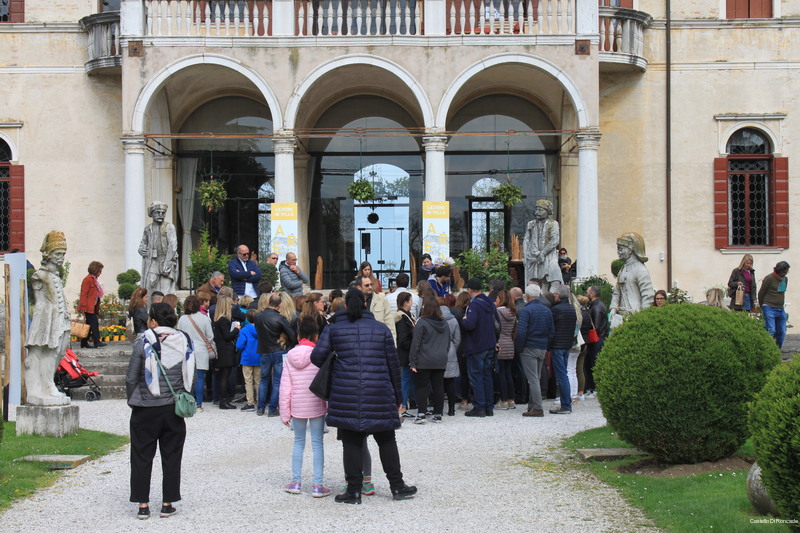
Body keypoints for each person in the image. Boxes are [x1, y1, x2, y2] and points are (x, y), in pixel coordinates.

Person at [311, 288, 417, 504]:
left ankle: (354, 490)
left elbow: (317, 357)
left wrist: (337, 363)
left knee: (351, 442)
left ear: (346, 306)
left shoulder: (334, 330)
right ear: (367, 304)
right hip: (380, 391)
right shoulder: (381, 329)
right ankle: (397, 486)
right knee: (386, 440)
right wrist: (398, 397)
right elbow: (393, 365)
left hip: (345, 392)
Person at [126, 302, 195, 520]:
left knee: (141, 456)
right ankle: (167, 502)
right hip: (173, 406)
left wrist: (133, 399)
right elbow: (189, 374)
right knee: (172, 455)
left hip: (146, 406)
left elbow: (131, 377)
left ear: (153, 321)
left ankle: (143, 504)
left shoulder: (144, 341)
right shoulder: (184, 340)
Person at [280, 316, 331, 498]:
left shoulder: (290, 356)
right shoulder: (319, 354)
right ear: (316, 336)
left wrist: (285, 413)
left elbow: (285, 386)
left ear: (299, 334)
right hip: (316, 403)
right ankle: (318, 484)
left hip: (297, 406)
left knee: (298, 442)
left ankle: (296, 481)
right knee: (317, 443)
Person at [25, 231, 71, 406]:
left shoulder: (55, 275)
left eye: (63, 254)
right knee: (46, 353)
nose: (61, 258)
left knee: (59, 352)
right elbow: (41, 304)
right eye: (58, 254)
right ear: (49, 255)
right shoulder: (40, 276)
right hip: (47, 320)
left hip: (59, 320)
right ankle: (44, 387)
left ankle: (47, 385)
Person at [460, 278, 501, 418]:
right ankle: (489, 407)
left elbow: (470, 325)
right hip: (490, 343)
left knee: (477, 376)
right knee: (487, 376)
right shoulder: (490, 303)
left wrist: (463, 320)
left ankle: (479, 406)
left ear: (470, 290)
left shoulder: (474, 306)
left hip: (477, 345)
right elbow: (497, 324)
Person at [409, 294, 450, 424]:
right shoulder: (444, 323)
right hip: (440, 359)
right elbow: (448, 342)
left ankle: (421, 413)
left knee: (421, 387)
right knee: (438, 387)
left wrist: (413, 361)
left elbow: (416, 344)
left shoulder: (422, 322)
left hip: (424, 359)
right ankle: (438, 414)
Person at [515, 283, 554, 417]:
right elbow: (551, 331)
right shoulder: (546, 310)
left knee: (532, 379)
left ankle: (537, 407)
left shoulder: (526, 311)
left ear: (527, 296)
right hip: (541, 346)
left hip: (529, 346)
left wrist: (519, 348)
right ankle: (532, 406)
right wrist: (545, 343)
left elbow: (521, 332)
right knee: (535, 377)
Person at [254, 293, 297, 416]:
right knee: (277, 380)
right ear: (280, 305)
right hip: (278, 349)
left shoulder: (258, 317)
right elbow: (293, 336)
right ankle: (272, 409)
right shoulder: (280, 318)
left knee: (264, 379)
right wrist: (288, 347)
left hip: (263, 350)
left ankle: (260, 408)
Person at [177, 294, 214, 412]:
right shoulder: (204, 318)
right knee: (200, 378)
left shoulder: (182, 319)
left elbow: (179, 335)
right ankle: (199, 404)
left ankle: (188, 400)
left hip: (187, 350)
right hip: (201, 350)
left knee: (187, 377)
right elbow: (210, 336)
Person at [609, 232, 654, 328]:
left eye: (621, 249)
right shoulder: (623, 269)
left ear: (630, 249)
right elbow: (617, 293)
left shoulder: (641, 270)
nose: (618, 252)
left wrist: (642, 318)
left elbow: (648, 296)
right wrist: (613, 308)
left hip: (635, 315)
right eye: (618, 249)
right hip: (621, 316)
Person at [138, 201, 178, 297]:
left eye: (163, 213)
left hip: (166, 260)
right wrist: (141, 249)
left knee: (165, 289)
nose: (160, 215)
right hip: (153, 262)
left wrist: (167, 263)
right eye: (157, 212)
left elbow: (173, 246)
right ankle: (150, 309)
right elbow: (143, 243)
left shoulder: (169, 227)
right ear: (152, 214)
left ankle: (166, 310)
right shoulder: (148, 229)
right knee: (150, 285)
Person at [548, 285, 577, 414]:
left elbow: (550, 327)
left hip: (557, 345)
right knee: (564, 373)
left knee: (561, 375)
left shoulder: (555, 309)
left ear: (558, 296)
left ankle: (566, 404)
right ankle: (566, 402)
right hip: (567, 344)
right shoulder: (571, 308)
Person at [523, 199, 562, 293]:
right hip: (534, 257)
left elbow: (555, 240)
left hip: (549, 256)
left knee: (555, 279)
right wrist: (525, 256)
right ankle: (543, 301)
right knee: (541, 282)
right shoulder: (531, 224)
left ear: (547, 211)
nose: (537, 212)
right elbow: (526, 240)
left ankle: (551, 299)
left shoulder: (553, 224)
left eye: (541, 210)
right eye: (536, 209)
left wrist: (543, 253)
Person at [211, 295, 241, 410]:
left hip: (222, 349)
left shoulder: (218, 319)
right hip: (225, 349)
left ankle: (223, 399)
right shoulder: (223, 320)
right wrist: (236, 330)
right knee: (225, 376)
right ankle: (223, 400)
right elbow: (227, 336)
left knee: (223, 375)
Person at [493, 289, 517, 410]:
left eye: (497, 298)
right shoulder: (512, 312)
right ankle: (511, 399)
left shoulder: (497, 312)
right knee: (508, 373)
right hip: (509, 343)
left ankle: (503, 400)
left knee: (501, 373)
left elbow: (495, 328)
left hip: (500, 343)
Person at [356, 274, 397, 344]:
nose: (370, 287)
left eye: (371, 284)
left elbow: (390, 324)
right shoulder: (353, 301)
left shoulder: (382, 300)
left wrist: (393, 344)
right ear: (359, 287)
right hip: (359, 342)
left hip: (378, 341)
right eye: (367, 285)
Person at [583, 285, 608, 399]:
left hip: (597, 339)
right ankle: (592, 388)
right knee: (591, 363)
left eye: (588, 291)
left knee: (593, 364)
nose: (586, 293)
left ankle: (594, 388)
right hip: (598, 339)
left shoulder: (596, 307)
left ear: (592, 294)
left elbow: (596, 326)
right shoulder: (596, 305)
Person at [394, 292, 416, 417]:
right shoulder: (402, 318)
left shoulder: (407, 315)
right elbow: (403, 339)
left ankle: (410, 402)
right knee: (406, 378)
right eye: (411, 300)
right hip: (405, 353)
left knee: (409, 378)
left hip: (407, 353)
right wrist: (413, 348)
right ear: (406, 302)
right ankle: (402, 405)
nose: (412, 302)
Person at [758, 261, 790, 348]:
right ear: (778, 270)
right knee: (771, 330)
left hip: (780, 308)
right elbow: (761, 293)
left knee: (782, 332)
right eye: (783, 271)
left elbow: (782, 293)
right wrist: (762, 306)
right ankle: (768, 350)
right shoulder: (769, 278)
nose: (785, 273)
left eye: (786, 271)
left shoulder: (785, 279)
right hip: (769, 307)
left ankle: (776, 350)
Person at [235, 309, 261, 412]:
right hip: (259, 357)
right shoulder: (261, 329)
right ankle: (260, 400)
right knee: (258, 381)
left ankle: (250, 402)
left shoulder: (244, 330)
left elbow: (240, 345)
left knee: (248, 381)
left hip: (247, 358)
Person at [439, 296, 461, 417]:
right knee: (450, 381)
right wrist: (453, 348)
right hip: (451, 349)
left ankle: (439, 408)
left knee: (438, 382)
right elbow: (457, 339)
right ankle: (451, 409)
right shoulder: (453, 320)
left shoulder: (435, 319)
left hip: (437, 350)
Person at [78, 261, 106, 349]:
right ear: (95, 270)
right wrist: (82, 307)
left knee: (89, 325)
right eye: (100, 271)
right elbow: (84, 294)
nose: (100, 273)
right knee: (94, 323)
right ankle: (97, 341)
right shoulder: (88, 279)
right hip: (88, 307)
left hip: (92, 306)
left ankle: (84, 342)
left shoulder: (94, 279)